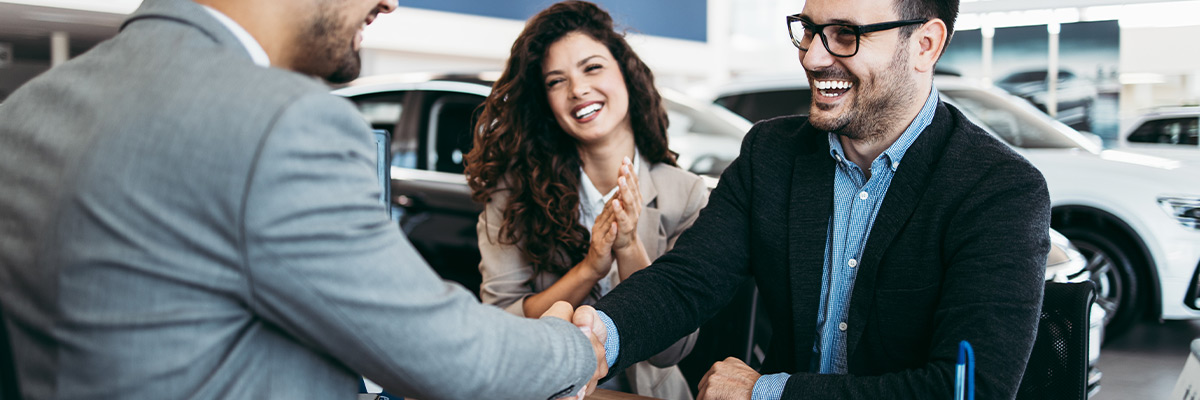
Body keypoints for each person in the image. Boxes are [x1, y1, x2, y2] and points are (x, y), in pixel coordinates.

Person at [0, 0, 608, 398]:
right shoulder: (282, 119)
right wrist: (576, 346)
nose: (390, 1)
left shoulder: (24, 111)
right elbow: (453, 359)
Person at [583, 0, 1052, 398]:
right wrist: (595, 337)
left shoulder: (999, 189)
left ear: (925, 45)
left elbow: (966, 388)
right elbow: (689, 279)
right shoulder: (770, 153)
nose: (811, 58)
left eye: (845, 35)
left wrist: (767, 391)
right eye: (808, 31)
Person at [464, 2, 707, 399]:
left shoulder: (686, 194)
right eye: (556, 81)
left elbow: (672, 351)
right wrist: (590, 269)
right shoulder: (513, 192)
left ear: (626, 74)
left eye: (592, 68)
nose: (577, 89)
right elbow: (501, 324)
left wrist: (628, 247)